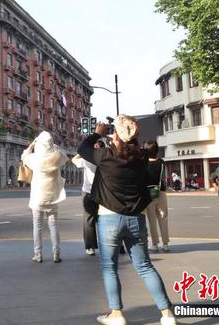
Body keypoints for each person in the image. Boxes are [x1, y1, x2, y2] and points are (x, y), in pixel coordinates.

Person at [78, 115, 176, 325]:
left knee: (109, 267)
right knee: (145, 267)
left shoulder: (105, 155)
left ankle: (117, 314)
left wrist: (98, 132)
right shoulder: (142, 157)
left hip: (108, 219)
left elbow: (82, 149)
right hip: (135, 219)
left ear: (116, 135)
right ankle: (167, 314)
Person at [22, 131, 68, 263]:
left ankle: (38, 254)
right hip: (53, 196)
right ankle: (56, 253)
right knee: (53, 225)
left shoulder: (35, 159)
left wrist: (33, 143)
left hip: (38, 197)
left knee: (37, 226)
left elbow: (25, 155)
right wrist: (52, 145)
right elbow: (62, 151)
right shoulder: (57, 155)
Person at [72, 140, 105, 256]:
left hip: (88, 192)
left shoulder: (87, 160)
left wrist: (81, 153)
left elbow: (74, 160)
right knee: (107, 218)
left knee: (88, 219)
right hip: (103, 192)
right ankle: (116, 245)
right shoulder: (106, 160)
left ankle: (90, 247)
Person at [143, 141, 170, 253]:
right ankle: (166, 244)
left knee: (152, 220)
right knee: (163, 217)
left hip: (148, 193)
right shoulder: (162, 162)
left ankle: (154, 244)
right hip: (160, 191)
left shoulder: (143, 163)